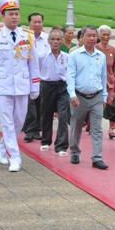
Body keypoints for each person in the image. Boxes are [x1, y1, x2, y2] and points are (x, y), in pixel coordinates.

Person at [0, 0, 40, 172]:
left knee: (19, 122)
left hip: (22, 85)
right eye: (10, 14)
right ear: (3, 16)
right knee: (7, 123)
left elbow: (34, 63)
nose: (14, 17)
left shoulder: (27, 36)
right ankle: (14, 157)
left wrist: (35, 85)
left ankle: (2, 147)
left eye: (16, 13)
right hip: (2, 86)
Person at [66, 26, 109, 170]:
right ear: (82, 38)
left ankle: (97, 157)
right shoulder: (75, 55)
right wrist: (72, 94)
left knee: (97, 128)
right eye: (88, 35)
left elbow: (103, 77)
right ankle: (74, 151)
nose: (91, 38)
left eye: (93, 35)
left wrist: (104, 96)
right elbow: (70, 76)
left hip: (96, 97)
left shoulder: (101, 56)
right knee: (76, 126)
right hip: (79, 97)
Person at [39, 28, 70, 156]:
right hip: (47, 85)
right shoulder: (42, 56)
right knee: (46, 114)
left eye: (58, 39)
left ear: (62, 41)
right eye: (53, 39)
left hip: (62, 87)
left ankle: (61, 146)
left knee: (63, 116)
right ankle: (46, 140)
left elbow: (70, 73)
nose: (55, 42)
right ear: (48, 41)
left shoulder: (67, 57)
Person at [22, 12, 49, 142]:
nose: (37, 24)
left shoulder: (47, 39)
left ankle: (37, 128)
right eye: (35, 22)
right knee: (29, 103)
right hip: (27, 76)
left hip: (42, 77)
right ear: (29, 23)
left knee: (40, 104)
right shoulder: (23, 37)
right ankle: (29, 129)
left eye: (40, 22)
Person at [96, 25, 115, 139]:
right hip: (96, 82)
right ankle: (93, 127)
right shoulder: (94, 48)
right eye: (103, 34)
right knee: (96, 106)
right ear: (99, 35)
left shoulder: (113, 50)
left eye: (108, 35)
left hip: (110, 82)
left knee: (112, 104)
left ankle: (111, 129)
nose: (106, 37)